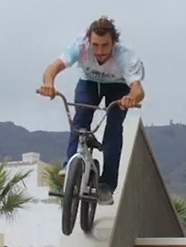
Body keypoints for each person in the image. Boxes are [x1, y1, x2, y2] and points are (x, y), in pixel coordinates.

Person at [37, 16, 146, 206]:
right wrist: (48, 84)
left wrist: (131, 98)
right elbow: (53, 68)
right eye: (95, 45)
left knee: (113, 128)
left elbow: (138, 90)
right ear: (89, 41)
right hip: (89, 83)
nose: (100, 51)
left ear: (114, 43)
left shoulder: (126, 57)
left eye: (105, 46)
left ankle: (106, 185)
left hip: (118, 87)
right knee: (80, 118)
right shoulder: (80, 46)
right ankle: (70, 165)